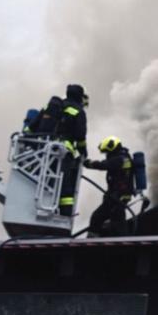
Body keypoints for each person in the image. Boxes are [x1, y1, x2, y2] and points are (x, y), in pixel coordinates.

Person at [83, 136, 135, 237]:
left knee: (116, 222)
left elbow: (104, 165)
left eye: (107, 151)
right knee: (100, 218)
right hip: (115, 196)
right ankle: (93, 240)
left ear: (113, 148)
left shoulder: (120, 159)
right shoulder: (123, 157)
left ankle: (124, 244)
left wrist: (88, 163)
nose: (106, 154)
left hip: (118, 197)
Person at [56, 84, 89, 217]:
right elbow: (80, 136)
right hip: (64, 153)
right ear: (79, 97)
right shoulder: (78, 111)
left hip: (43, 151)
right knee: (66, 187)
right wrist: (83, 152)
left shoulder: (55, 106)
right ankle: (65, 216)